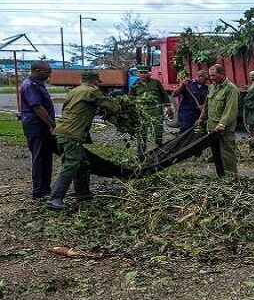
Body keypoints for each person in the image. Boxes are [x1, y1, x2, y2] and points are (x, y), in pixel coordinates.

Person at [45, 71, 121, 210]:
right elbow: (113, 107)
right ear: (95, 81)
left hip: (63, 131)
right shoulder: (92, 91)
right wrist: (118, 106)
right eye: (98, 82)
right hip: (71, 135)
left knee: (83, 163)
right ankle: (55, 198)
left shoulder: (74, 91)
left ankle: (83, 193)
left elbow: (78, 108)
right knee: (71, 164)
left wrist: (95, 110)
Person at [20, 61, 56, 199]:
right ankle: (39, 191)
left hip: (41, 127)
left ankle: (45, 189)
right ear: (37, 70)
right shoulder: (30, 85)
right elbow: (37, 107)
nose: (49, 75)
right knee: (40, 158)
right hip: (36, 127)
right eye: (47, 72)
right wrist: (52, 124)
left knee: (46, 158)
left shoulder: (37, 84)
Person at [196, 64, 239, 176]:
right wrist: (201, 118)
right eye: (210, 75)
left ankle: (232, 178)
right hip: (212, 128)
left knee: (227, 154)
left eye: (214, 75)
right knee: (216, 154)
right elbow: (206, 105)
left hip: (224, 129)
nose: (211, 78)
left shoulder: (231, 88)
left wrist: (222, 124)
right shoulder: (212, 87)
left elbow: (230, 109)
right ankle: (221, 177)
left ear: (222, 74)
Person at [130, 65, 172, 157]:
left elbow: (164, 94)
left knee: (158, 133)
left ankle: (160, 152)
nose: (143, 75)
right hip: (142, 114)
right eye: (141, 73)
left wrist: (168, 107)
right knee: (142, 135)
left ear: (148, 73)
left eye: (145, 73)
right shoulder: (134, 86)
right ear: (138, 74)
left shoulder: (156, 83)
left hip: (156, 112)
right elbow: (131, 100)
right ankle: (140, 154)